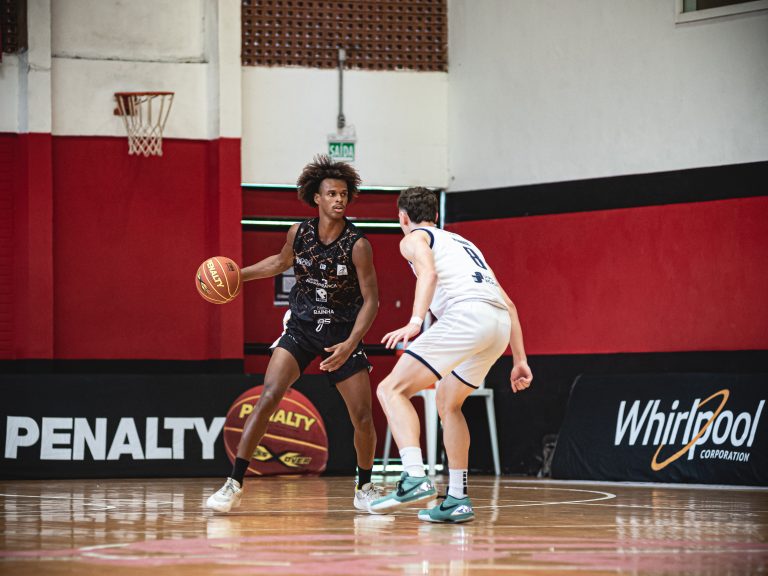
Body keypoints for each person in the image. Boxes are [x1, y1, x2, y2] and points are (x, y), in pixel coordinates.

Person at [206, 155, 381, 513]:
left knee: (363, 416)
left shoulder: (357, 245)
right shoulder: (298, 233)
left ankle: (365, 487)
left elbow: (372, 301)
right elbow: (280, 262)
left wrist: (350, 344)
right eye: (331, 193)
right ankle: (233, 483)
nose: (339, 199)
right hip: (301, 327)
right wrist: (238, 276)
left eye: (343, 194)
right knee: (269, 395)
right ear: (316, 198)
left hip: (341, 333)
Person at [370, 186, 532, 523]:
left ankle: (414, 476)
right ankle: (457, 498)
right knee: (448, 403)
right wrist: (520, 360)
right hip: (498, 325)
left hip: (466, 317)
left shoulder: (413, 238)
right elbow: (510, 304)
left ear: (402, 217)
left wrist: (415, 322)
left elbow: (427, 274)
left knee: (390, 389)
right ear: (436, 215)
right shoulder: (464, 244)